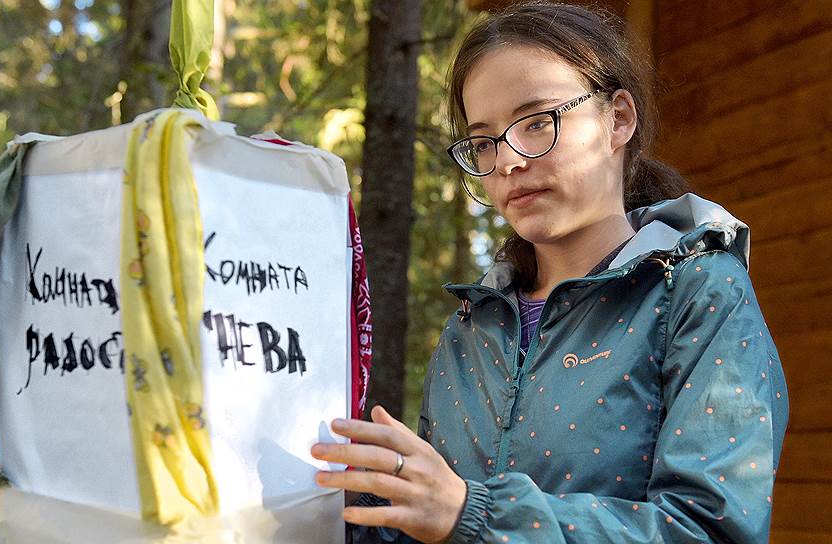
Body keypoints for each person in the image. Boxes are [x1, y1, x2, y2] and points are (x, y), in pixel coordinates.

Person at [310, 1, 789, 543]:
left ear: (619, 118)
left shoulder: (697, 291)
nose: (510, 161)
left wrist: (476, 514)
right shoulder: (471, 329)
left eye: (537, 122)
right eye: (484, 141)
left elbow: (713, 530)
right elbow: (433, 525)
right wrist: (346, 504)